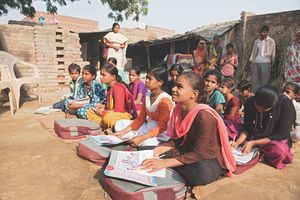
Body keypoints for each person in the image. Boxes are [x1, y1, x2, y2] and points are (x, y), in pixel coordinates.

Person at [141, 72, 236, 199]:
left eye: (179, 87)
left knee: (201, 173)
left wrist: (165, 163)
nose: (173, 89)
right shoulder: (178, 109)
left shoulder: (205, 116)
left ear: (194, 94)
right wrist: (163, 147)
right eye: (175, 86)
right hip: (183, 152)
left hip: (204, 159)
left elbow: (200, 153)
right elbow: (177, 139)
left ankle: (184, 174)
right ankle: (178, 171)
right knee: (146, 151)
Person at [231, 85, 295, 169]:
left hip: (272, 140)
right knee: (228, 126)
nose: (258, 108)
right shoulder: (250, 102)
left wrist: (253, 143)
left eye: (264, 108)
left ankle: (259, 152)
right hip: (254, 135)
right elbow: (247, 128)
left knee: (280, 151)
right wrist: (237, 142)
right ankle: (257, 151)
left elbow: (281, 134)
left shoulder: (285, 105)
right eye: (257, 105)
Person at [113, 67, 174, 147]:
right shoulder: (148, 95)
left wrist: (142, 138)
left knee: (147, 143)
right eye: (146, 78)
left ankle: (134, 139)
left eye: (150, 79)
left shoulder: (165, 100)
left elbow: (162, 126)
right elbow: (141, 118)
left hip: (160, 133)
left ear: (160, 82)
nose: (146, 81)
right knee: (120, 124)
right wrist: (123, 132)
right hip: (147, 127)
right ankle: (131, 138)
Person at [87, 64, 134, 129]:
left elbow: (119, 110)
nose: (101, 77)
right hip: (112, 113)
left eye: (103, 75)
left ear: (113, 77)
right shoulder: (110, 88)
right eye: (100, 75)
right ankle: (103, 123)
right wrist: (103, 106)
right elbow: (111, 106)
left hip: (122, 115)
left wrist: (102, 112)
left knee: (108, 118)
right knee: (90, 111)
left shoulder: (118, 88)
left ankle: (104, 123)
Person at [249, 25, 276, 91]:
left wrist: (272, 61)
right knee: (255, 79)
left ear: (267, 32)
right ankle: (255, 92)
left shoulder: (271, 41)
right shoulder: (257, 41)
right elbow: (253, 51)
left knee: (264, 79)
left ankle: (263, 92)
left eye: (264, 32)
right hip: (257, 62)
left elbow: (273, 51)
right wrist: (252, 61)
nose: (262, 33)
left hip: (266, 62)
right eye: (261, 32)